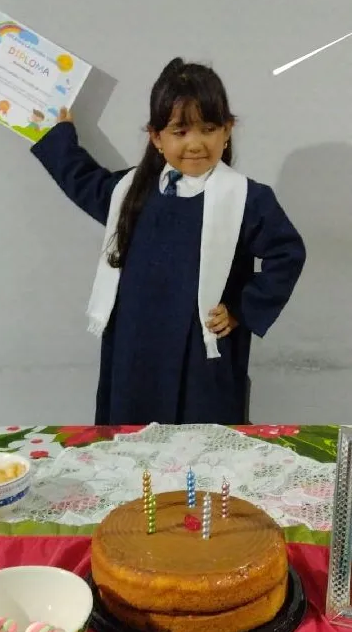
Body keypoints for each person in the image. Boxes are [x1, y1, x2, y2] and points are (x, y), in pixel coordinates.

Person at [31, 58, 306, 426]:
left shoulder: (245, 198)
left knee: (203, 448)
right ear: (157, 138)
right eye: (179, 132)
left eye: (208, 128)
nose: (195, 144)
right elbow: (83, 180)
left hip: (201, 354)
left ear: (227, 130)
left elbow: (287, 252)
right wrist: (59, 135)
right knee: (132, 444)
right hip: (134, 345)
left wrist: (242, 308)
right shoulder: (131, 192)